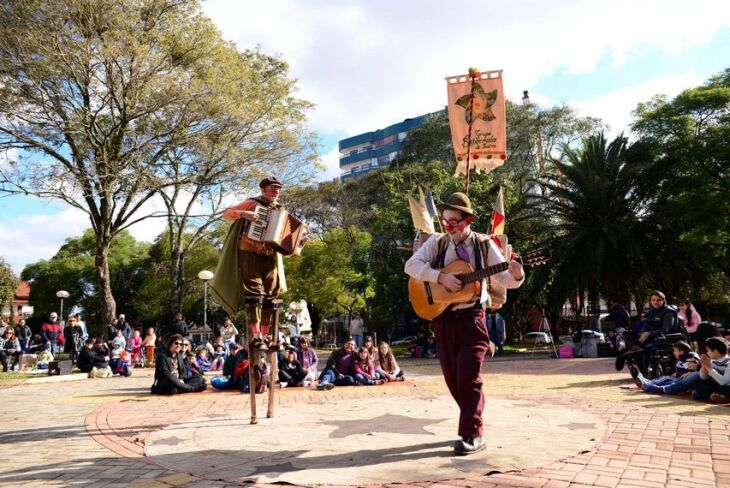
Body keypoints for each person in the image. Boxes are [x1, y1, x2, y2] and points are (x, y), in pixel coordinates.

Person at [404, 192, 525, 455]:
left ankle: (473, 432)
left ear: (467, 220)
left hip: (473, 319)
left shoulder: (483, 245)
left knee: (470, 378)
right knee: (454, 381)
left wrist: (518, 274)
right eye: (446, 222)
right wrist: (439, 278)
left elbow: (505, 277)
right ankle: (473, 416)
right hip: (443, 319)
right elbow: (411, 266)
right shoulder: (437, 243)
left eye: (454, 222)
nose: (449, 228)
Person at [216, 176, 306, 352]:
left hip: (270, 257)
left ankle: (267, 337)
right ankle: (256, 336)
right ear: (263, 190)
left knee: (272, 295)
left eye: (278, 189)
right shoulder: (252, 203)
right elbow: (227, 213)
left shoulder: (281, 211)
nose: (276, 192)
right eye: (272, 188)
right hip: (249, 254)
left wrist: (300, 242)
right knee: (255, 293)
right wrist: (244, 214)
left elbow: (287, 247)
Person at [635, 341, 700, 394]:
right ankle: (648, 383)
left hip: (682, 378)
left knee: (668, 380)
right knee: (666, 379)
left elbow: (690, 372)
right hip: (679, 377)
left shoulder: (690, 358)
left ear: (681, 352)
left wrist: (678, 374)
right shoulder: (681, 358)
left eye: (675, 350)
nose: (673, 352)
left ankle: (649, 384)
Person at [692, 337, 730, 403]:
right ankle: (718, 396)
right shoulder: (712, 361)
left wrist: (709, 368)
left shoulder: (728, 362)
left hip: (726, 386)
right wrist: (704, 368)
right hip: (716, 386)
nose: (707, 353)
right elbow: (703, 378)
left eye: (708, 350)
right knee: (697, 383)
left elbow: (724, 382)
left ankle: (722, 397)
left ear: (715, 351)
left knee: (725, 389)